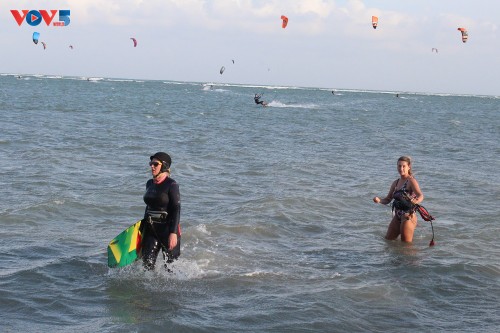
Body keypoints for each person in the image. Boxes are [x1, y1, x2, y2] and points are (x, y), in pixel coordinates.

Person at [141, 152, 181, 271]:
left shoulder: (172, 185)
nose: (152, 166)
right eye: (151, 163)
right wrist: (142, 228)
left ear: (164, 165)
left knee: (170, 269)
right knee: (146, 266)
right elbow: (148, 207)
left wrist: (173, 233)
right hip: (151, 229)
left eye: (155, 164)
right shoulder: (149, 183)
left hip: (167, 230)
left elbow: (176, 208)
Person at [373, 156, 424, 243]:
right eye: (399, 166)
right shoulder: (395, 183)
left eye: (404, 166)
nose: (401, 168)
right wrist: (379, 200)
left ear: (409, 167)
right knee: (388, 241)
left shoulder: (411, 181)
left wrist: (416, 200)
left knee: (406, 246)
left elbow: (420, 195)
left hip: (408, 216)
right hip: (397, 215)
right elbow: (388, 199)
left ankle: (412, 256)